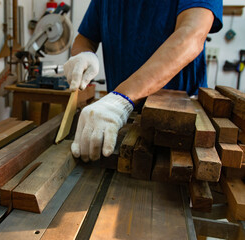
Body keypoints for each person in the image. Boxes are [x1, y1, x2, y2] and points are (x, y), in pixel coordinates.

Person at [63, 0, 223, 162]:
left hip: (180, 126)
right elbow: (85, 39)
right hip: (120, 121)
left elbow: (191, 35)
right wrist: (83, 55)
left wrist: (121, 99)